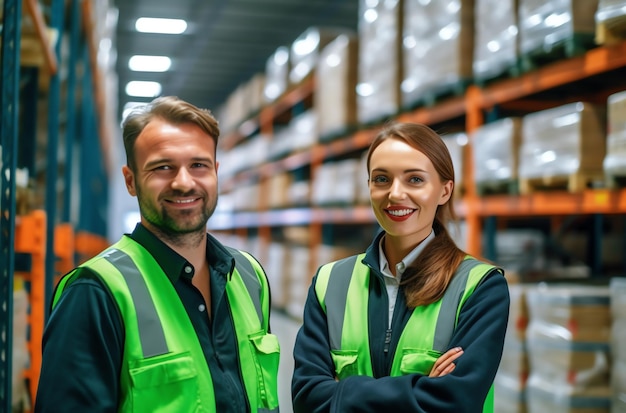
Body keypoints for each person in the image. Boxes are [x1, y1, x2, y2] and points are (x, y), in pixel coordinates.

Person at [35, 96, 280, 413]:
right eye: (163, 167)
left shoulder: (249, 276)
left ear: (216, 172)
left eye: (198, 165)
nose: (184, 182)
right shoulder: (96, 293)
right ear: (131, 181)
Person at [291, 122, 510, 413]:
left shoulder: (479, 287)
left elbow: (455, 401)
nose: (395, 194)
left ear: (444, 191)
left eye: (415, 180)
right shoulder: (330, 283)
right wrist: (421, 388)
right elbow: (307, 397)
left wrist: (342, 391)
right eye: (381, 179)